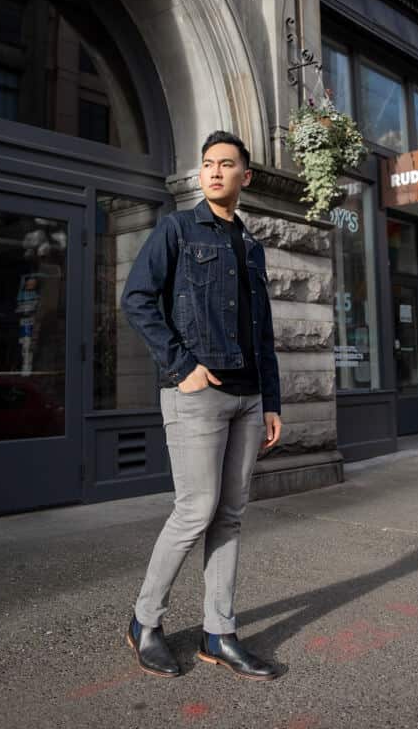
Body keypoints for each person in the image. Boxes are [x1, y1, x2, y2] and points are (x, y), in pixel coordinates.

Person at [121, 130, 283, 681]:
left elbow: (261, 332)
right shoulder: (178, 229)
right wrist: (182, 364)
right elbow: (137, 298)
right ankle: (145, 622)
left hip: (248, 397)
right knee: (196, 509)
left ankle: (219, 632)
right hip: (197, 393)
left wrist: (273, 400)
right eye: (207, 164)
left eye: (226, 164)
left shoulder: (252, 245)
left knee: (231, 515)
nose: (213, 172)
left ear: (245, 176)